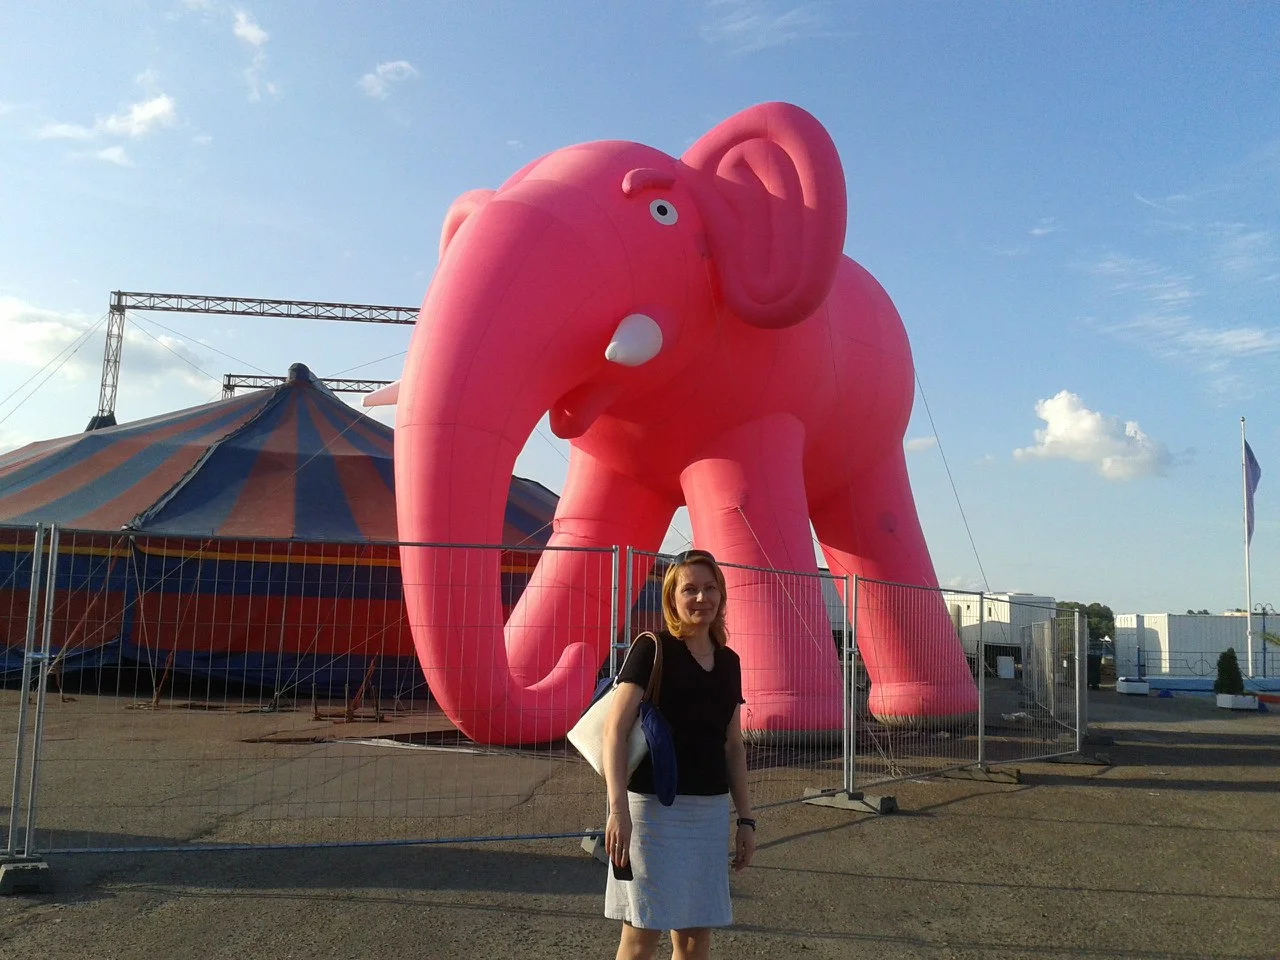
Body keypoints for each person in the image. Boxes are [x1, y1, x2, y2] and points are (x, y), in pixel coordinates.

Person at [602, 548, 756, 960]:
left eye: (710, 588)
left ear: (721, 595)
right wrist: (618, 811)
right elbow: (614, 731)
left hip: (707, 814)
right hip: (649, 812)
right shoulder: (653, 649)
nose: (702, 598)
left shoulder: (730, 663)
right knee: (641, 935)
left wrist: (746, 819)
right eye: (690, 590)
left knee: (693, 939)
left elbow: (733, 746)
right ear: (671, 597)